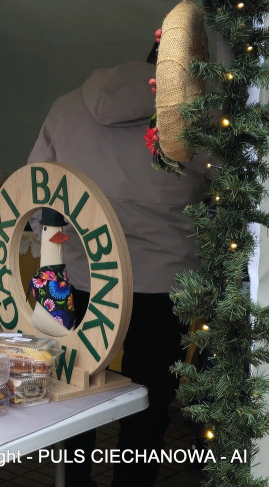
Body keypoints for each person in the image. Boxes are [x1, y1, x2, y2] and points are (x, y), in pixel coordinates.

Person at [28, 56, 208, 487]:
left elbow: (36, 193)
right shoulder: (192, 118)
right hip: (164, 281)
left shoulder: (66, 106)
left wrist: (57, 246)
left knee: (78, 386)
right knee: (150, 396)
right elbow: (224, 192)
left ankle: (75, 480)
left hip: (85, 276)